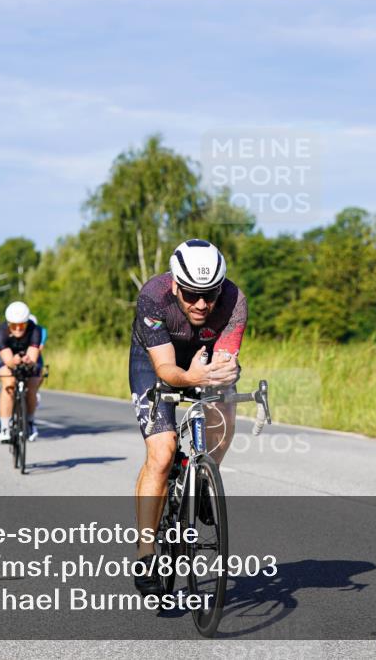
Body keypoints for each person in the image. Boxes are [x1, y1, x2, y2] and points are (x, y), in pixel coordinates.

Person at [128, 239, 246, 596]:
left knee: (225, 405)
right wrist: (192, 377)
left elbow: (225, 360)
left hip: (203, 358)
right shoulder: (153, 296)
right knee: (162, 453)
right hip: (154, 362)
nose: (201, 304)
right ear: (177, 285)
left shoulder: (234, 299)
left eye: (209, 294)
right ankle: (147, 552)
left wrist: (225, 371)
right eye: (192, 294)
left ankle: (206, 474)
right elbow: (165, 368)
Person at [0, 301, 42, 443]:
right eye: (14, 325)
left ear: (27, 323)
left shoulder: (35, 330)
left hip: (26, 354)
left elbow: (33, 356)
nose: (18, 329)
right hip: (6, 354)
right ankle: (4, 428)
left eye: (22, 325)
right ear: (8, 324)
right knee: (9, 383)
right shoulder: (1, 332)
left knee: (33, 384)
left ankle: (30, 422)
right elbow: (8, 360)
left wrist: (28, 360)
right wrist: (13, 361)